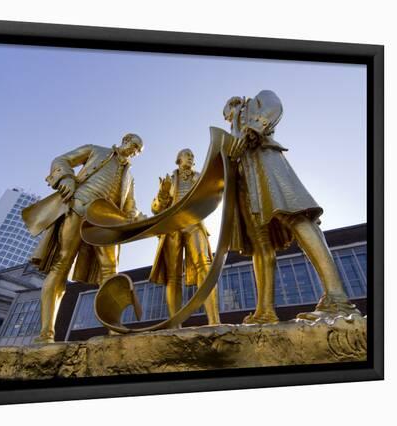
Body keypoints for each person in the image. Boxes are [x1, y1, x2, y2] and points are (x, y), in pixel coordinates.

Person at [222, 90, 360, 323]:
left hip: (266, 164)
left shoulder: (257, 102)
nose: (228, 115)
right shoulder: (231, 132)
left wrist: (249, 132)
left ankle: (337, 299)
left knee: (296, 216)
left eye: (229, 110)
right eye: (226, 116)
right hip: (244, 182)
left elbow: (274, 105)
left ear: (236, 102)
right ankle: (265, 311)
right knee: (259, 245)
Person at [22, 133, 144, 343]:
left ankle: (113, 329)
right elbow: (61, 160)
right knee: (62, 264)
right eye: (133, 145)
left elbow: (130, 206)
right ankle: (46, 333)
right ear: (125, 140)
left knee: (110, 270)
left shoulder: (130, 178)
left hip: (106, 223)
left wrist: (135, 217)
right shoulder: (96, 150)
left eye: (137, 151)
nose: (134, 151)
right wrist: (67, 178)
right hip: (79, 207)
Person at [148, 148, 220, 325]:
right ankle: (175, 325)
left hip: (194, 223)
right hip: (172, 226)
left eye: (193, 156)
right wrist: (162, 193)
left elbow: (213, 194)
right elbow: (156, 209)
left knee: (205, 265)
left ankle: (214, 320)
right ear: (178, 159)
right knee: (173, 276)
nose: (191, 158)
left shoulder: (200, 176)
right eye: (188, 155)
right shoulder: (169, 180)